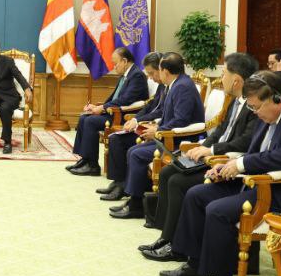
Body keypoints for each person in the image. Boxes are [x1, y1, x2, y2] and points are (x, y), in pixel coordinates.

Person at [162, 70, 281, 276]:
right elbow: (255, 152)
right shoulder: (266, 114)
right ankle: (196, 264)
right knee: (196, 194)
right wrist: (227, 167)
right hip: (257, 180)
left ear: (276, 99)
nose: (254, 112)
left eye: (256, 107)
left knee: (218, 211)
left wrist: (241, 165)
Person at [140, 52, 260, 261]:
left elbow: (245, 141)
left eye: (224, 73)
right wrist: (201, 148)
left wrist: (211, 151)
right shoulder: (235, 100)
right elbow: (219, 130)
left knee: (177, 181)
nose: (221, 78)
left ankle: (177, 247)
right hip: (214, 155)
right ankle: (166, 237)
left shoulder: (253, 105)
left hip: (225, 161)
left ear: (236, 80)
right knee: (168, 172)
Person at [104, 53, 204, 218]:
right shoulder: (176, 84)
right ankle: (135, 199)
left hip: (179, 142)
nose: (154, 75)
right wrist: (156, 127)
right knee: (133, 150)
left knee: (136, 154)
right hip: (167, 135)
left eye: (158, 69)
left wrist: (157, 131)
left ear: (165, 71)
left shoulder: (182, 87)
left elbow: (181, 120)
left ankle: (136, 205)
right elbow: (169, 116)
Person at [67, 47, 148, 176]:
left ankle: (93, 165)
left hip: (122, 116)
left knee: (91, 122)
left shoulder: (137, 76)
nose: (114, 67)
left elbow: (125, 100)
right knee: (84, 118)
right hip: (113, 112)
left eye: (115, 64)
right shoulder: (125, 76)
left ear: (124, 61)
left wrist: (102, 108)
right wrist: (97, 107)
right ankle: (85, 159)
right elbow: (115, 98)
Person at [96, 52, 164, 199]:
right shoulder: (162, 86)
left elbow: (160, 112)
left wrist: (138, 122)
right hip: (147, 124)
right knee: (115, 138)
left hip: (155, 129)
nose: (150, 78)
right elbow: (150, 105)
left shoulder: (170, 86)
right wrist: (136, 119)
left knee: (119, 141)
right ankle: (118, 182)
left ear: (161, 69)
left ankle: (123, 187)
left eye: (151, 73)